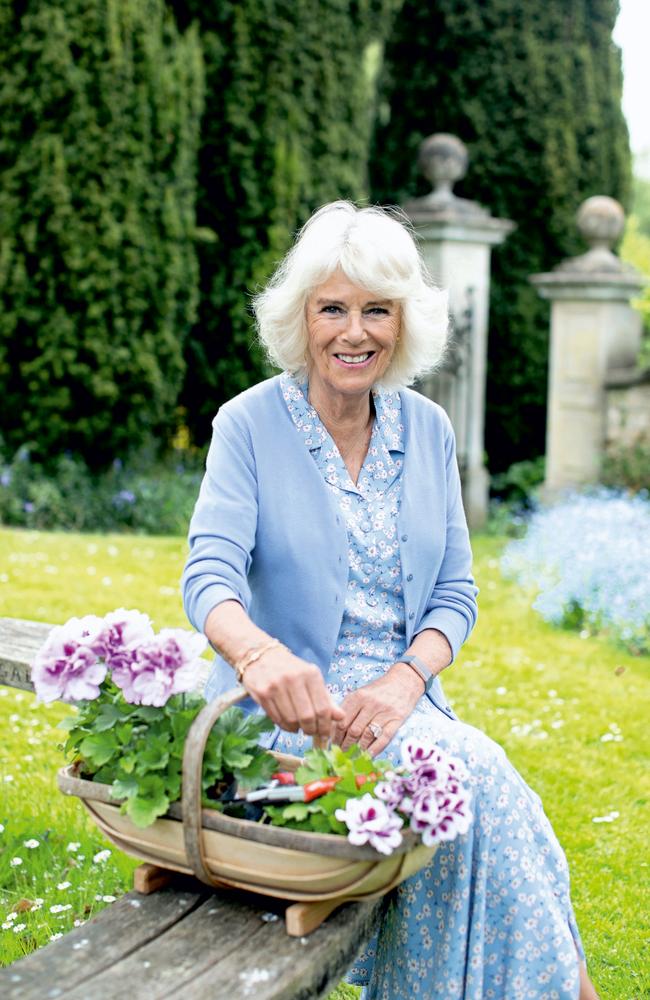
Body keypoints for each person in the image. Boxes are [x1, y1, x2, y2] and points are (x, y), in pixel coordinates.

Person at [182, 201, 598, 1000]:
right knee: (477, 779)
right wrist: (259, 655)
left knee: (484, 800)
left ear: (403, 323)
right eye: (332, 308)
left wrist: (407, 680)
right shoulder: (248, 425)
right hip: (287, 722)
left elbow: (454, 593)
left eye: (377, 310)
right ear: (300, 318)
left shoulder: (429, 429)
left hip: (401, 704)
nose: (354, 332)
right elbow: (209, 576)